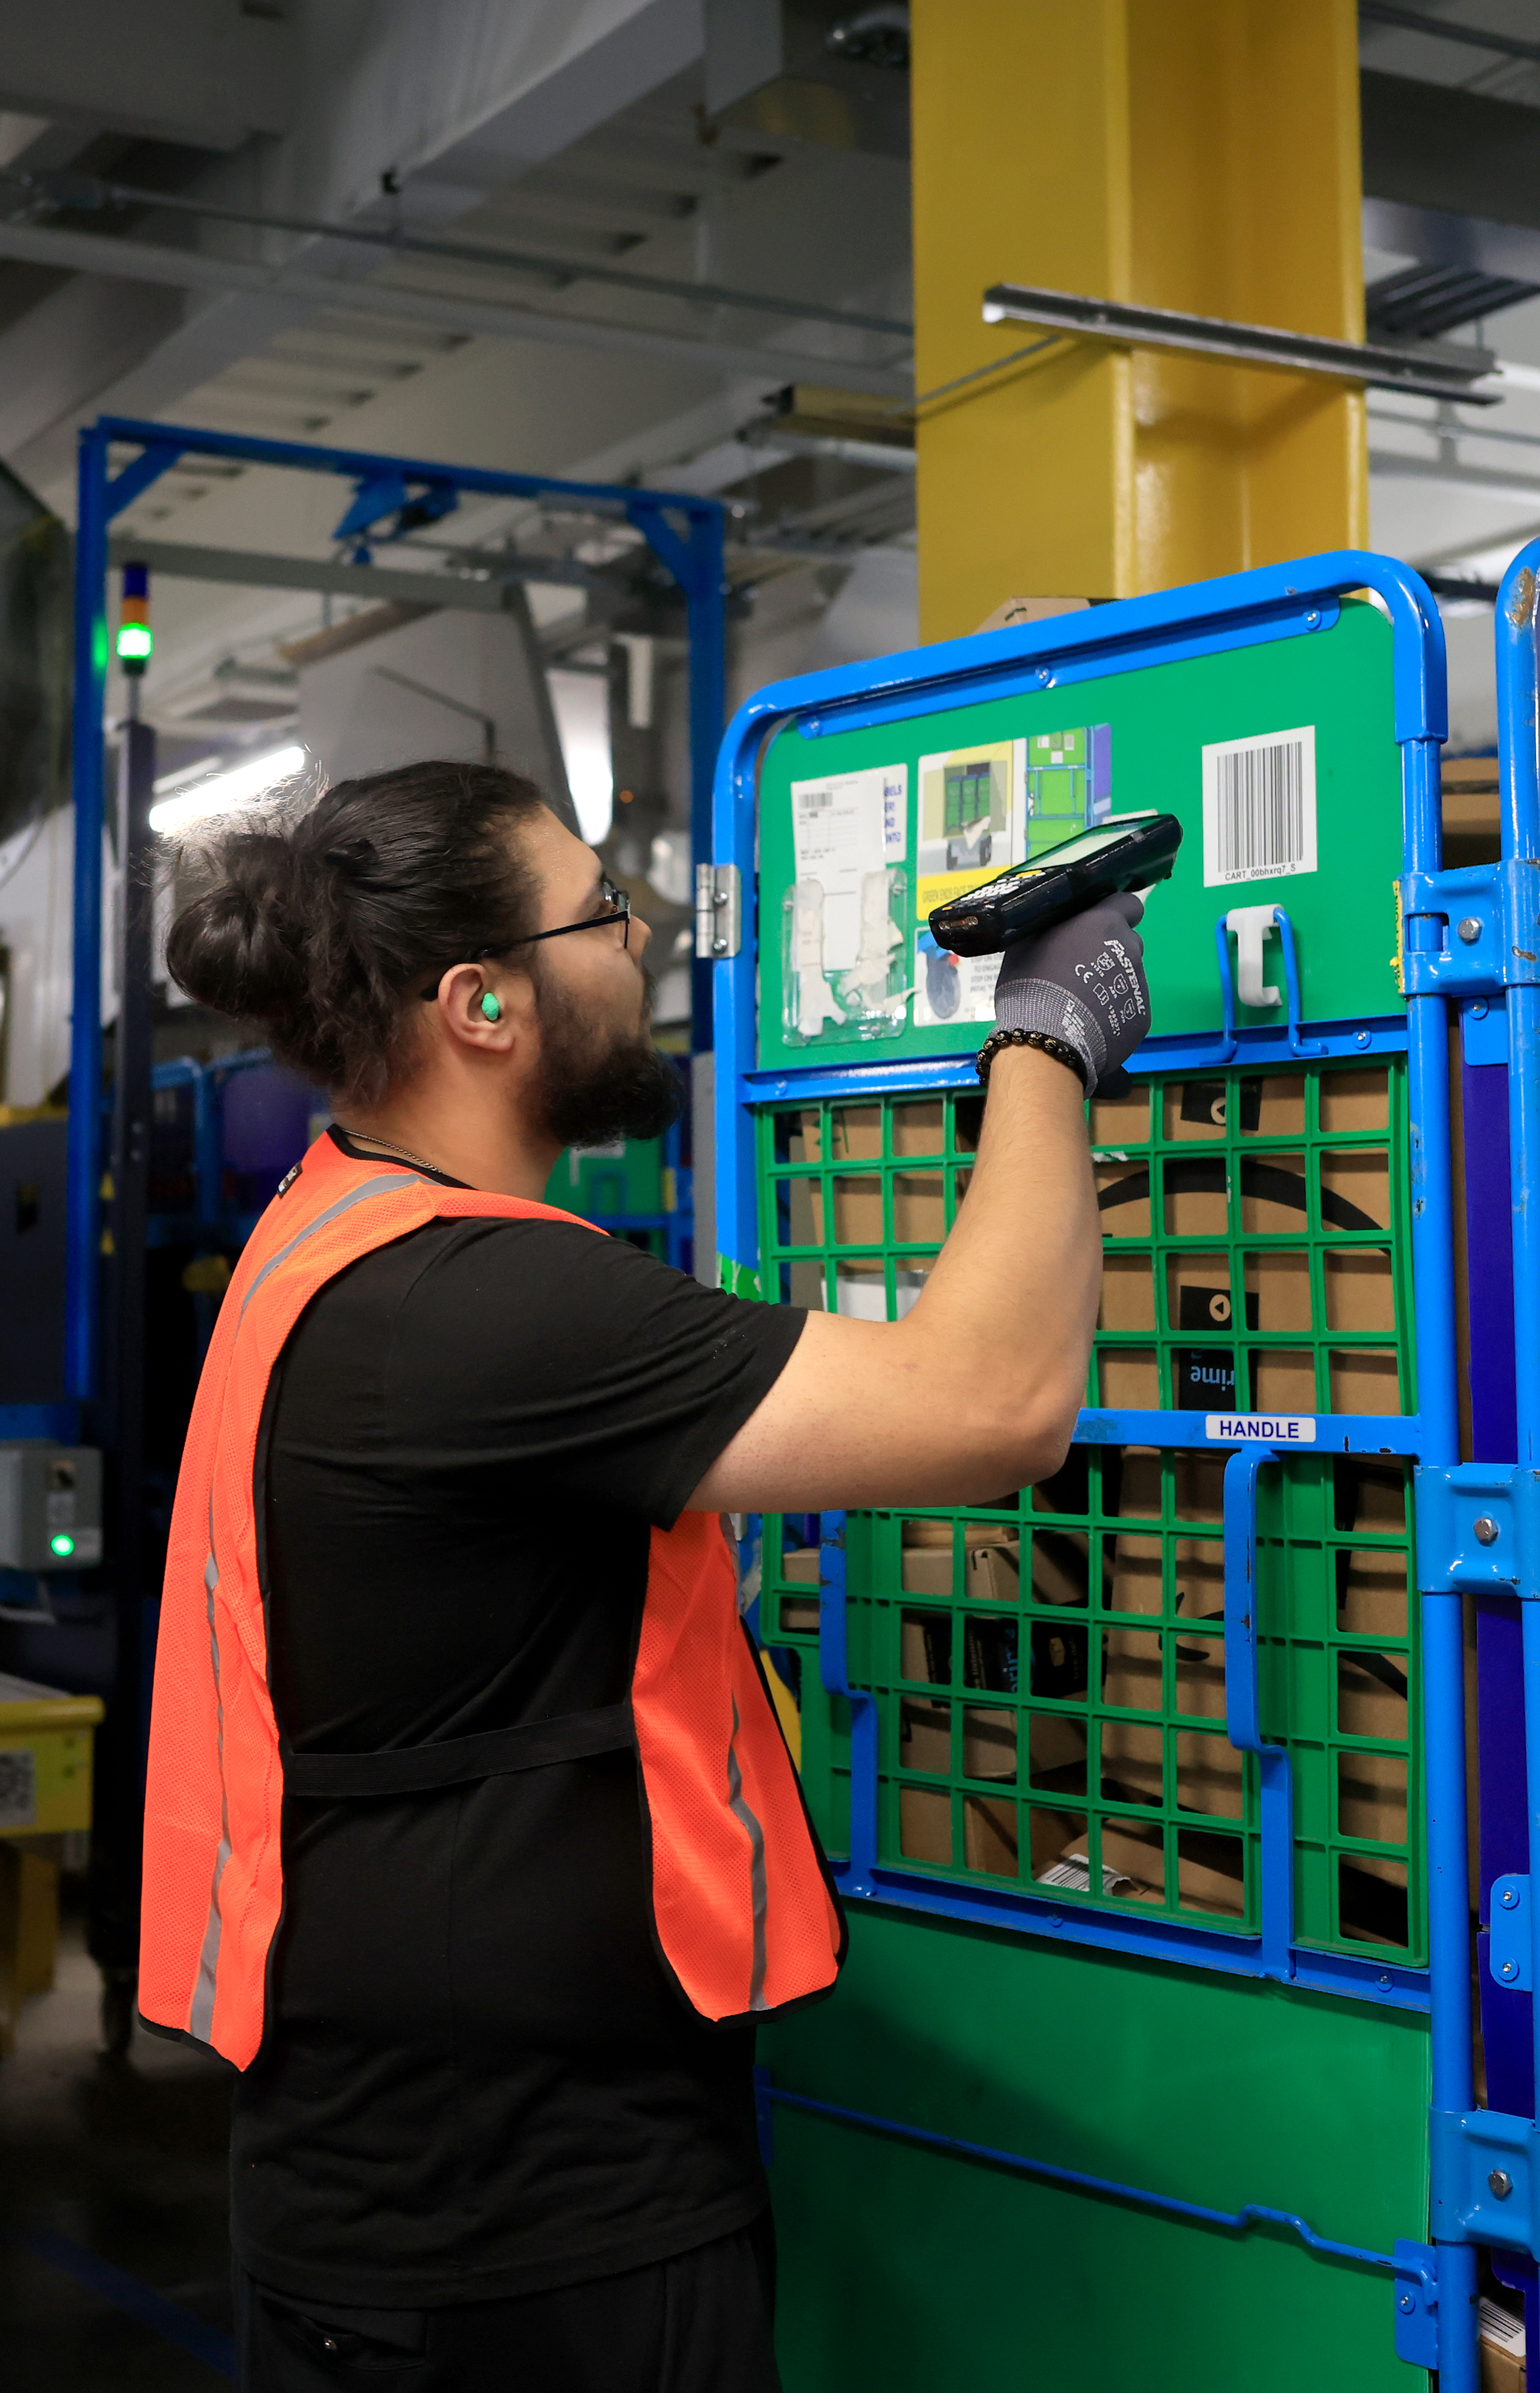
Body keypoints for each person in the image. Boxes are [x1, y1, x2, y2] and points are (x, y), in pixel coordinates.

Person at [136, 759, 1150, 2392]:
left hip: (404, 2175)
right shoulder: (483, 1301)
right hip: (523, 2231)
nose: (647, 938)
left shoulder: (335, 1234)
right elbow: (995, 1406)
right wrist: (1047, 1039)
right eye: (603, 912)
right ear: (482, 1003)